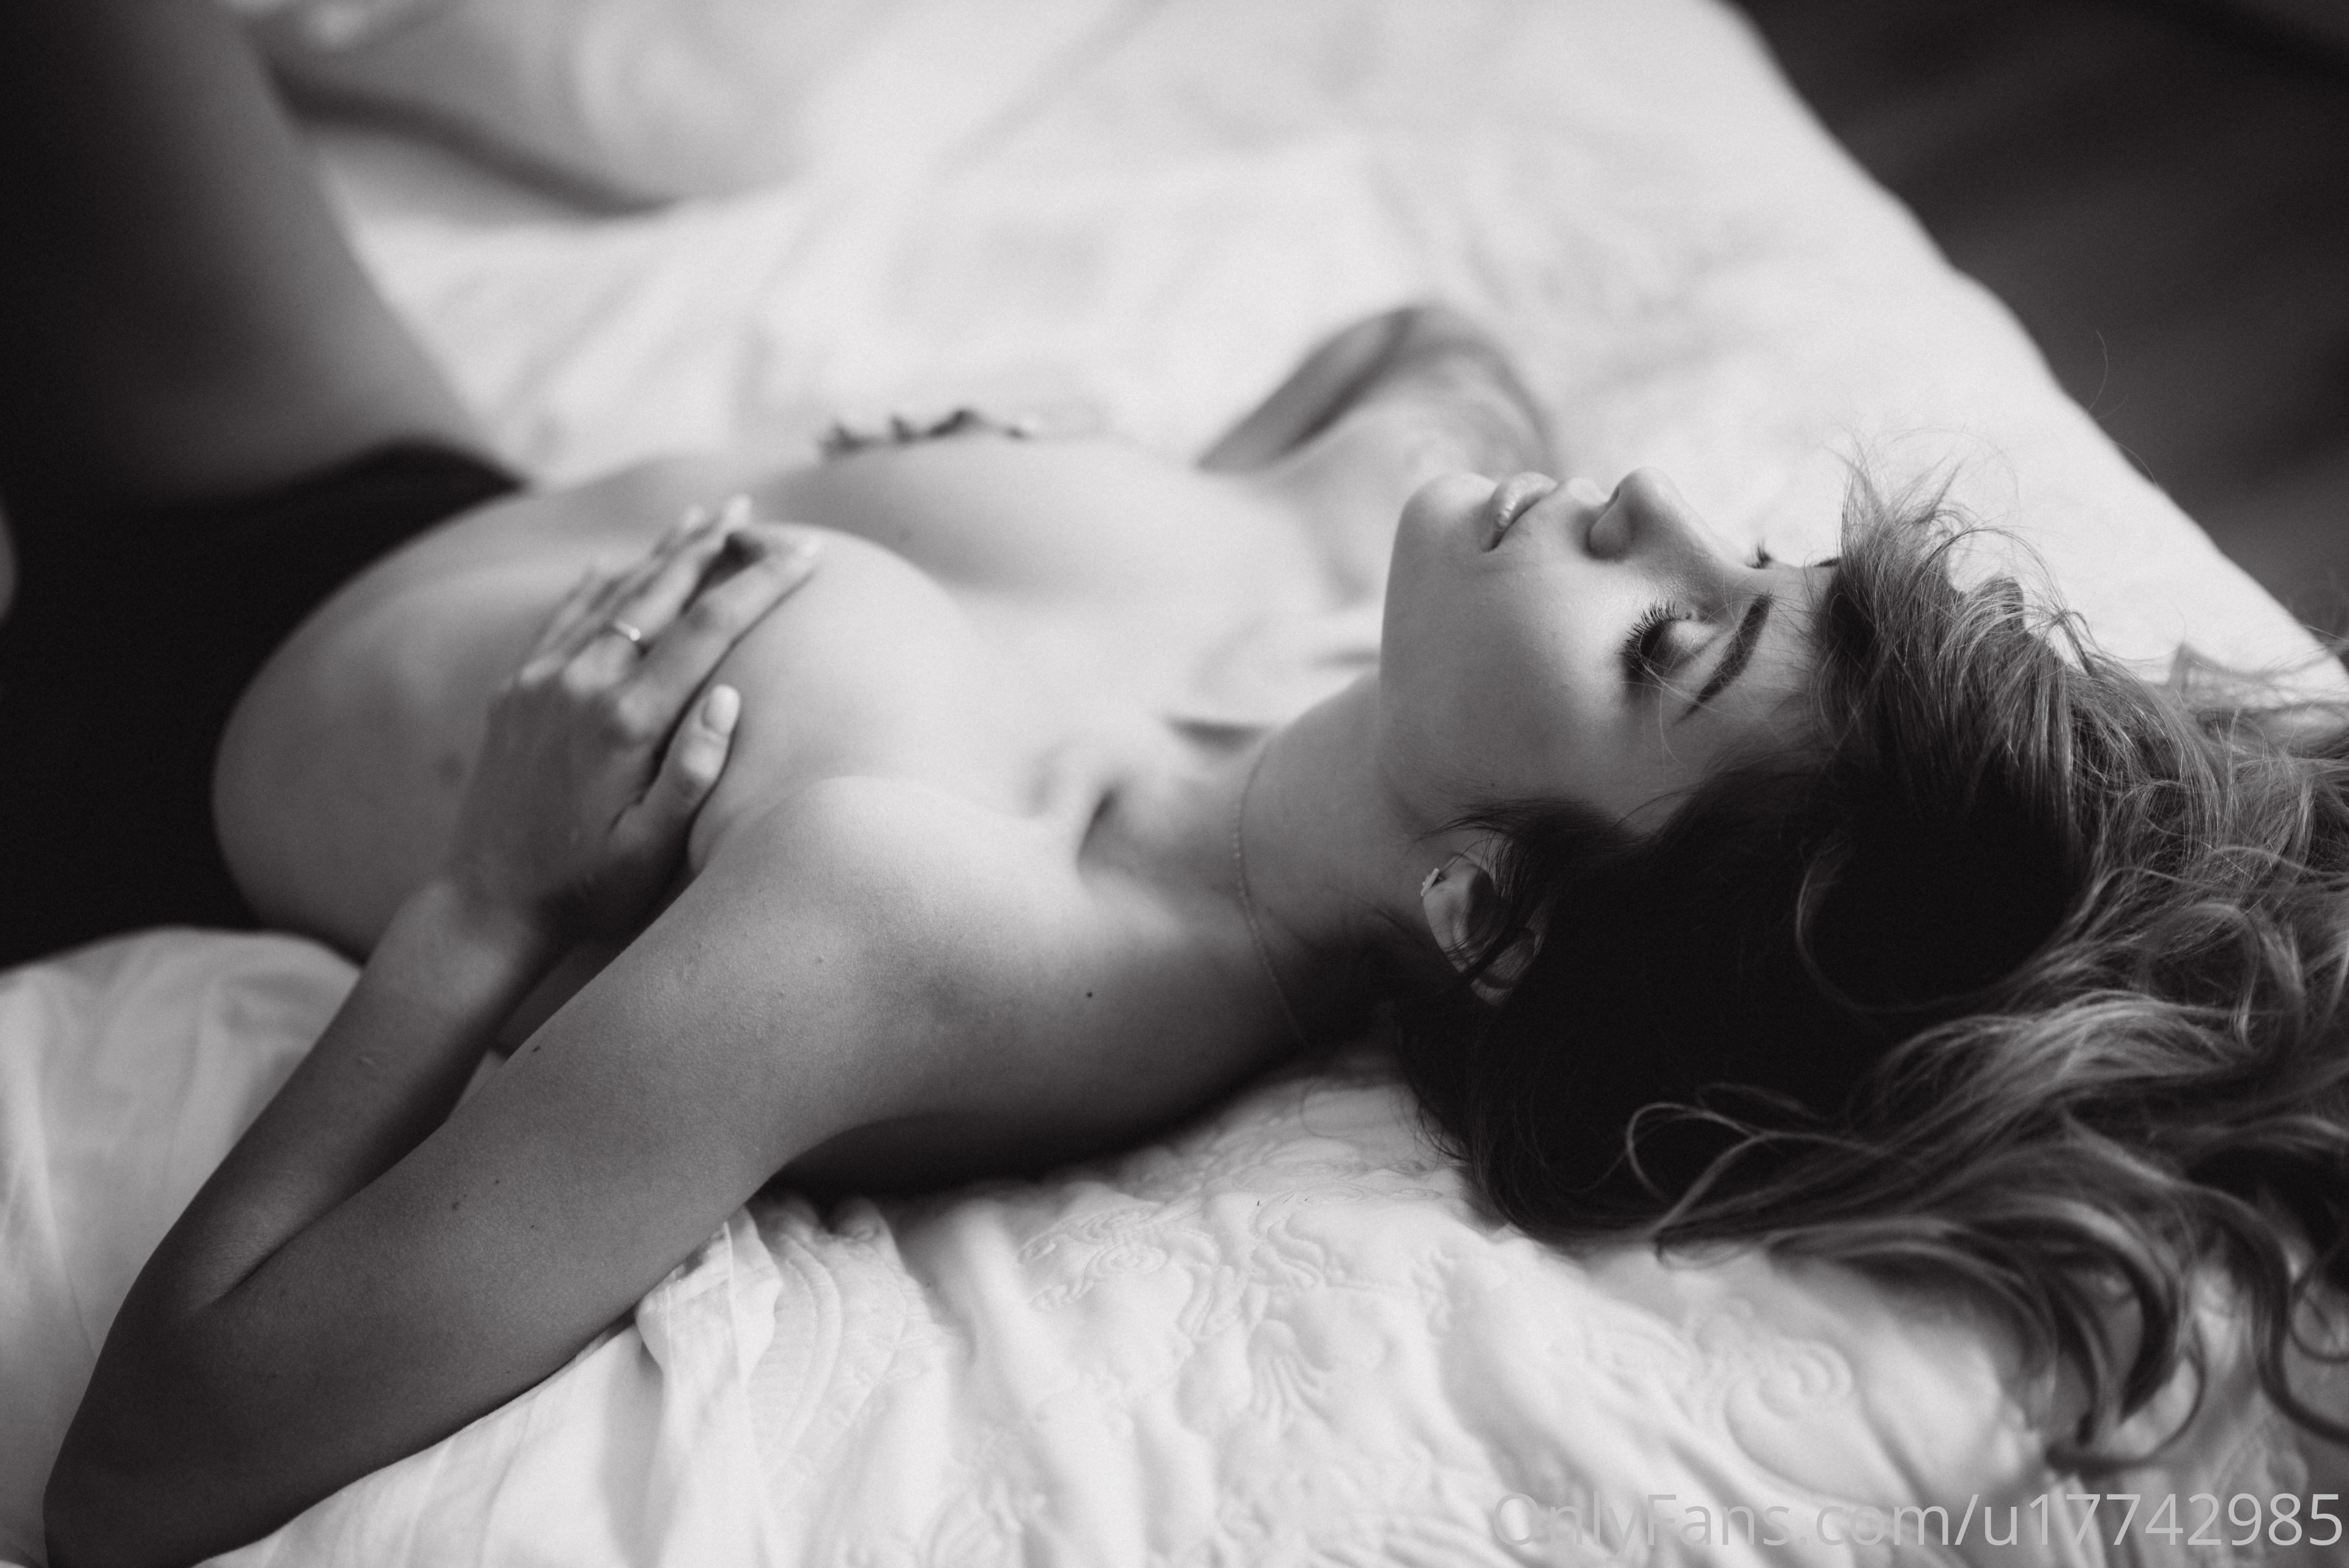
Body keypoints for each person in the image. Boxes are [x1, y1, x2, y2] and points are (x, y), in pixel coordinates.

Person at [12, 3, 2345, 1563]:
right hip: (374, 475)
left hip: (145, 732)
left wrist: (491, 913)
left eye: (1668, 643)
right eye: (1755, 568)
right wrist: (1075, 450)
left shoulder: (926, 920)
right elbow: (1423, 352)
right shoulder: (1375, 568)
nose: (1649, 511)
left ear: (1490, 913)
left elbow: (151, 1467)